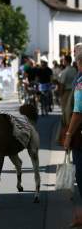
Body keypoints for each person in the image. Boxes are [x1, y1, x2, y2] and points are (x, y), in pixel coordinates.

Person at [64, 49, 82, 228]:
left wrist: (68, 135)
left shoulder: (81, 82)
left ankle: (80, 218)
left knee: (81, 176)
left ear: (78, 63)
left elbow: (77, 112)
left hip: (80, 138)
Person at [59, 55, 77, 123]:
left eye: (63, 60)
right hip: (74, 91)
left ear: (66, 61)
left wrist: (61, 94)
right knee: (72, 108)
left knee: (65, 109)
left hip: (66, 91)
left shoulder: (65, 71)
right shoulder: (75, 70)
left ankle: (67, 124)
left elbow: (62, 84)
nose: (63, 61)